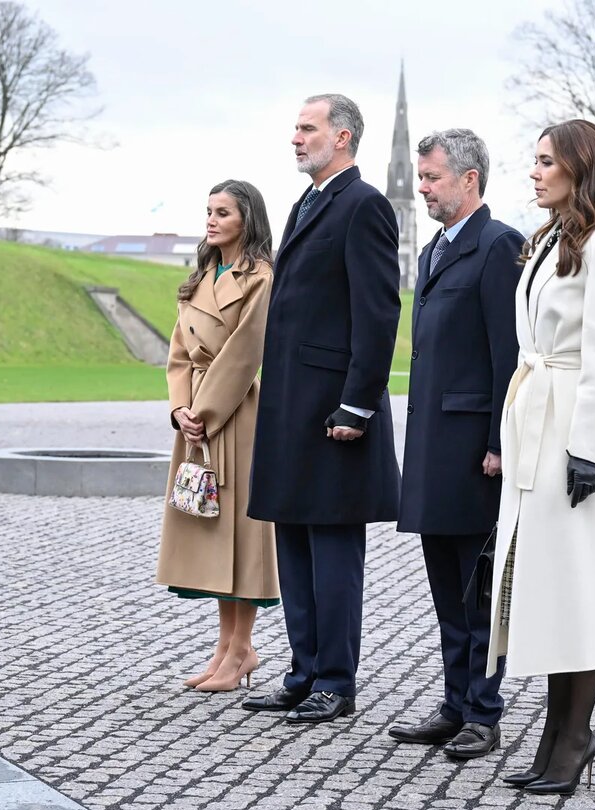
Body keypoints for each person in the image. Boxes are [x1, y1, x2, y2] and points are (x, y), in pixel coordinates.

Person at [487, 119, 595, 795]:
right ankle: (556, 733)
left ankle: (574, 736)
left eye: (547, 161)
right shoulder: (552, 240)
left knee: (578, 586)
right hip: (537, 421)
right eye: (536, 160)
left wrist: (585, 448)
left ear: (580, 170)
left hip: (574, 434)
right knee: (548, 585)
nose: (534, 171)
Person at [243, 94, 402, 724]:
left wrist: (358, 405)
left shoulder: (364, 205)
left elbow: (378, 312)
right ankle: (302, 670)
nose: (295, 138)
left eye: (306, 128)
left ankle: (335, 679)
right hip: (292, 407)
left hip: (335, 412)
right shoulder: (307, 202)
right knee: (295, 542)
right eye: (295, 128)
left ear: (341, 137)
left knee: (333, 549)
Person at [389, 129, 523, 759]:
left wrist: (500, 439)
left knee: (478, 588)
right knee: (445, 584)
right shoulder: (436, 249)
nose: (423, 188)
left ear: (470, 179)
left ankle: (483, 711)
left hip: (475, 449)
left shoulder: (499, 246)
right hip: (433, 444)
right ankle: (453, 702)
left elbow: (509, 354)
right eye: (420, 177)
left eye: (432, 177)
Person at [156, 179, 278, 692]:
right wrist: (180, 408)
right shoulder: (204, 273)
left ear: (246, 219)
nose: (211, 219)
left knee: (241, 534)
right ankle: (227, 648)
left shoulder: (261, 278)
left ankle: (241, 648)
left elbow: (246, 353)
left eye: (223, 212)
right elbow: (180, 351)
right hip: (198, 420)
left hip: (236, 414)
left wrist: (204, 410)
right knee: (210, 530)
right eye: (208, 210)